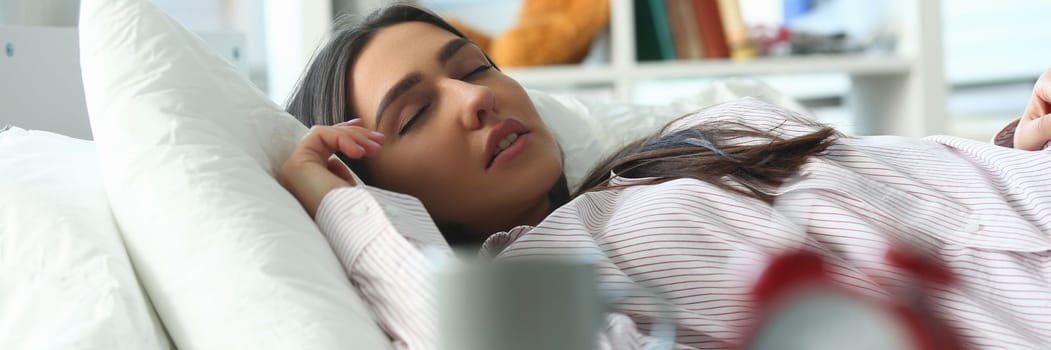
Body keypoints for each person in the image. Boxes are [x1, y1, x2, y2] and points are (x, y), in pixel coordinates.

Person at [278, 5, 1051, 349]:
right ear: (378, 182)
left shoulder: (683, 137)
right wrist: (338, 203)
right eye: (414, 115)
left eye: (475, 67)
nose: (476, 98)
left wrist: (1018, 144)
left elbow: (890, 186)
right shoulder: (544, 283)